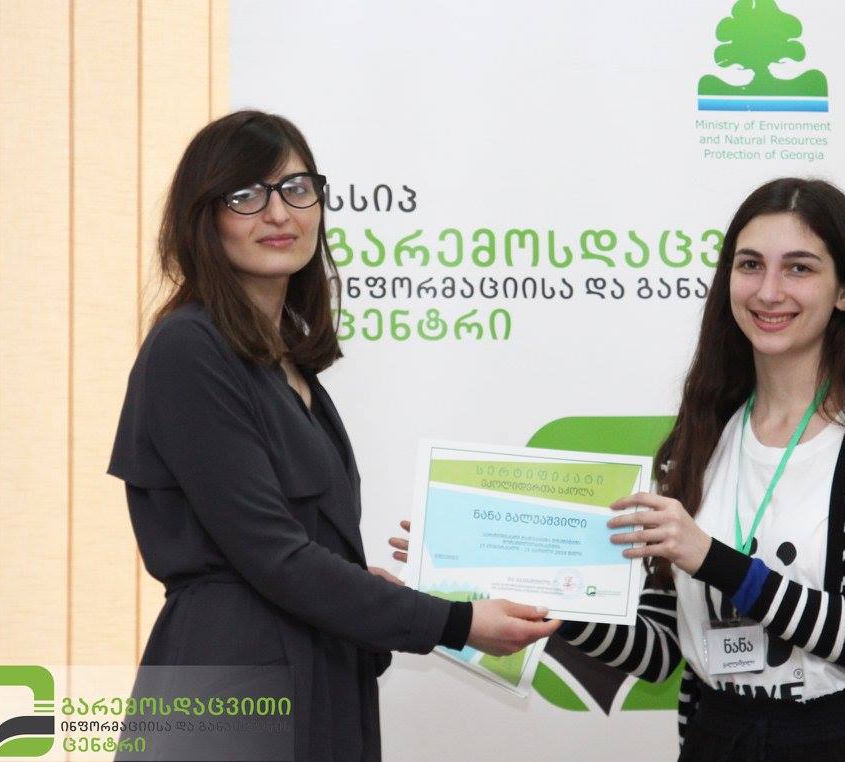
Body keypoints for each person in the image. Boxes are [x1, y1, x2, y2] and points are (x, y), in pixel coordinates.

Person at [394, 178, 845, 760]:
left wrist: (711, 559)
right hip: (719, 735)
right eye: (750, 265)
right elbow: (660, 648)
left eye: (799, 268)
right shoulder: (701, 437)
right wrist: (520, 584)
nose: (768, 291)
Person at [107, 110, 558, 762]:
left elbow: (296, 550)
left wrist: (364, 585)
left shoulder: (287, 363)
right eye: (246, 195)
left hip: (319, 673)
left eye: (296, 189)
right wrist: (456, 622)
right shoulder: (190, 348)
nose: (278, 213)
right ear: (203, 219)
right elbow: (275, 557)